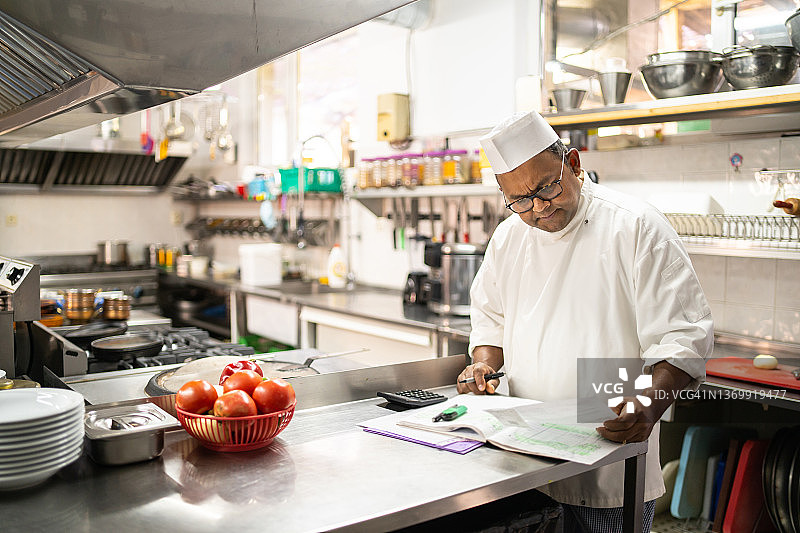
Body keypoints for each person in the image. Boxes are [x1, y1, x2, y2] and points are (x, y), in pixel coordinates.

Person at [457, 110, 713, 532]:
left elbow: (683, 337)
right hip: (522, 454)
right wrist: (484, 364)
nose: (538, 208)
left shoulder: (635, 226)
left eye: (547, 188)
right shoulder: (508, 237)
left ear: (573, 165)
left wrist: (648, 406)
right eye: (519, 201)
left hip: (608, 449)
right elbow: (490, 321)